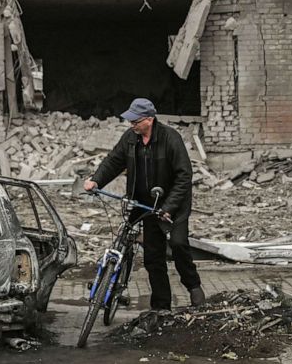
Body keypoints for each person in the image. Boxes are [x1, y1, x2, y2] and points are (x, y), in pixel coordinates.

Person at [83, 98, 205, 310]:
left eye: (135, 121)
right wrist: (96, 179)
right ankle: (161, 307)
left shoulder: (170, 138)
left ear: (149, 119)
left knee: (178, 244)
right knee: (153, 256)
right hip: (146, 205)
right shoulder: (131, 138)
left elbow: (184, 176)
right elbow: (114, 161)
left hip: (173, 204)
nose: (132, 124)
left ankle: (194, 287)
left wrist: (168, 207)